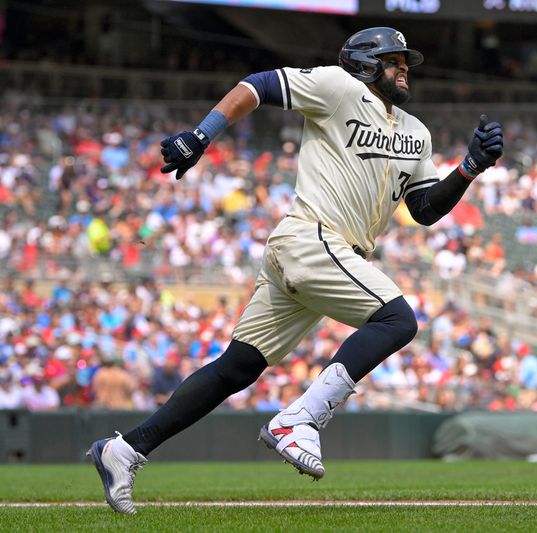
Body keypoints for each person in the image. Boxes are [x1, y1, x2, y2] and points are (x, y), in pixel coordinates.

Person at [86, 27, 503, 514]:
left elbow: (426, 208)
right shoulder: (338, 86)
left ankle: (125, 449)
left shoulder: (416, 131)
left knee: (237, 367)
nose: (404, 67)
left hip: (324, 253)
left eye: (406, 60)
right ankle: (301, 419)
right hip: (312, 236)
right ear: (366, 63)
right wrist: (202, 136)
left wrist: (469, 168)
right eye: (394, 59)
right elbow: (258, 84)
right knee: (397, 319)